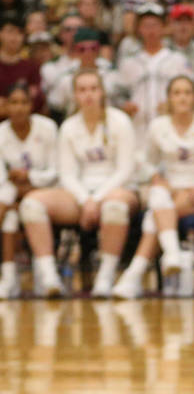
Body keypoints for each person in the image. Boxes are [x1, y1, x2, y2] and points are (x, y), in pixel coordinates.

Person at [112, 76, 194, 299]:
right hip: (170, 193)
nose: (183, 98)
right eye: (177, 93)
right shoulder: (158, 126)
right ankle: (166, 257)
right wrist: (155, 176)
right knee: (158, 196)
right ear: (169, 98)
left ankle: (138, 273)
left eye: (187, 92)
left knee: (155, 213)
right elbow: (144, 160)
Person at [20, 69, 138, 297]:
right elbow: (66, 174)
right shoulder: (69, 127)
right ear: (74, 95)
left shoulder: (120, 121)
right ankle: (50, 278)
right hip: (79, 194)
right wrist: (86, 200)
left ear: (102, 92)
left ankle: (105, 278)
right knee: (31, 204)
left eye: (93, 88)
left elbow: (125, 170)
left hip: (117, 190)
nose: (88, 95)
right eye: (82, 90)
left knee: (115, 207)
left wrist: (96, 200)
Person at [0, 84, 58, 298]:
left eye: (23, 102)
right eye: (13, 103)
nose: (19, 108)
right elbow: (2, 178)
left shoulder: (48, 128)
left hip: (47, 192)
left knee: (23, 204)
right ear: (6, 106)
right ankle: (8, 279)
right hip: (11, 197)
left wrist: (30, 178)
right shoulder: (1, 133)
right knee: (10, 218)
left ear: (31, 106)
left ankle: (42, 274)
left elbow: (56, 171)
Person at [117, 3, 194, 143]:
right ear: (139, 29)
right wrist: (124, 105)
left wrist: (172, 104)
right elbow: (118, 96)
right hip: (137, 132)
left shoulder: (178, 60)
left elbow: (192, 93)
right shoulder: (128, 63)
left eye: (155, 25)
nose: (150, 30)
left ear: (163, 27)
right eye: (146, 26)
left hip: (172, 130)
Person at [48, 27, 126, 116]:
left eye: (93, 48)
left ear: (98, 49)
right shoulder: (66, 77)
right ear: (76, 50)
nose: (88, 52)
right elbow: (56, 105)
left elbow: (122, 101)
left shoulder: (112, 73)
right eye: (82, 49)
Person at [0, 18, 43, 116]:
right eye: (10, 31)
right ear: (1, 33)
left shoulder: (32, 66)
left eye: (19, 32)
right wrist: (21, 103)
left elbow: (37, 101)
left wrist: (6, 105)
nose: (14, 37)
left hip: (25, 122)